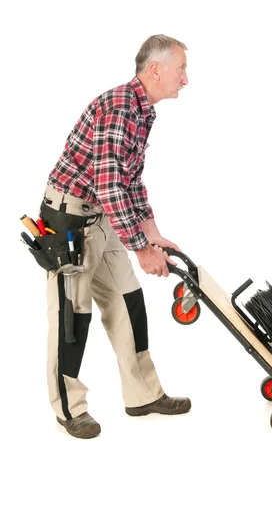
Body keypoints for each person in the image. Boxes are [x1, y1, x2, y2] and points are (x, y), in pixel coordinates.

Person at [40, 35, 190, 439]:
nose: (186, 79)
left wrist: (153, 234)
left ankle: (142, 395)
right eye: (181, 69)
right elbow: (109, 185)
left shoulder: (142, 110)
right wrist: (142, 250)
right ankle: (69, 409)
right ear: (155, 69)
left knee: (128, 301)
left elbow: (129, 179)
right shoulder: (120, 106)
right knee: (73, 316)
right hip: (69, 222)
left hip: (103, 217)